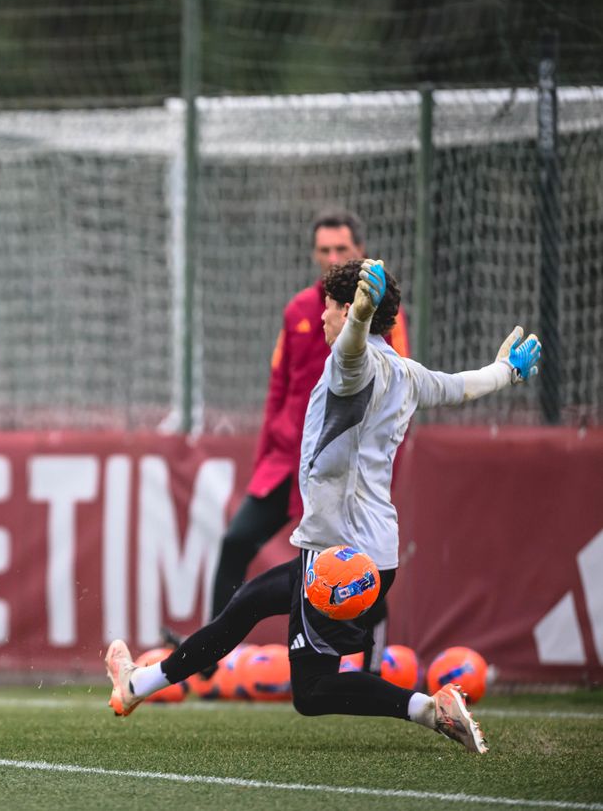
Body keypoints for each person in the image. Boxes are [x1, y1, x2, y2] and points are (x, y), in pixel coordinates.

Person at [107, 257, 541, 754]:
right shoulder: (407, 372)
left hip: (335, 559)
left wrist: (357, 315)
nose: (322, 318)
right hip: (374, 556)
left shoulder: (348, 364)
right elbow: (461, 386)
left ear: (352, 308)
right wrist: (506, 371)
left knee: (311, 692)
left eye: (330, 308)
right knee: (246, 604)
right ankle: (137, 685)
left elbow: (353, 347)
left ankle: (429, 708)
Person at [205, 208, 408, 676]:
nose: (331, 257)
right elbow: (277, 389)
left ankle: (372, 665)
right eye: (324, 250)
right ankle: (213, 660)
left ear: (359, 252)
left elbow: (399, 391)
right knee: (236, 541)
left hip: (339, 473)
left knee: (361, 567)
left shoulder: (379, 318)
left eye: (341, 249)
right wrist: (265, 461)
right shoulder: (300, 310)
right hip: (284, 463)